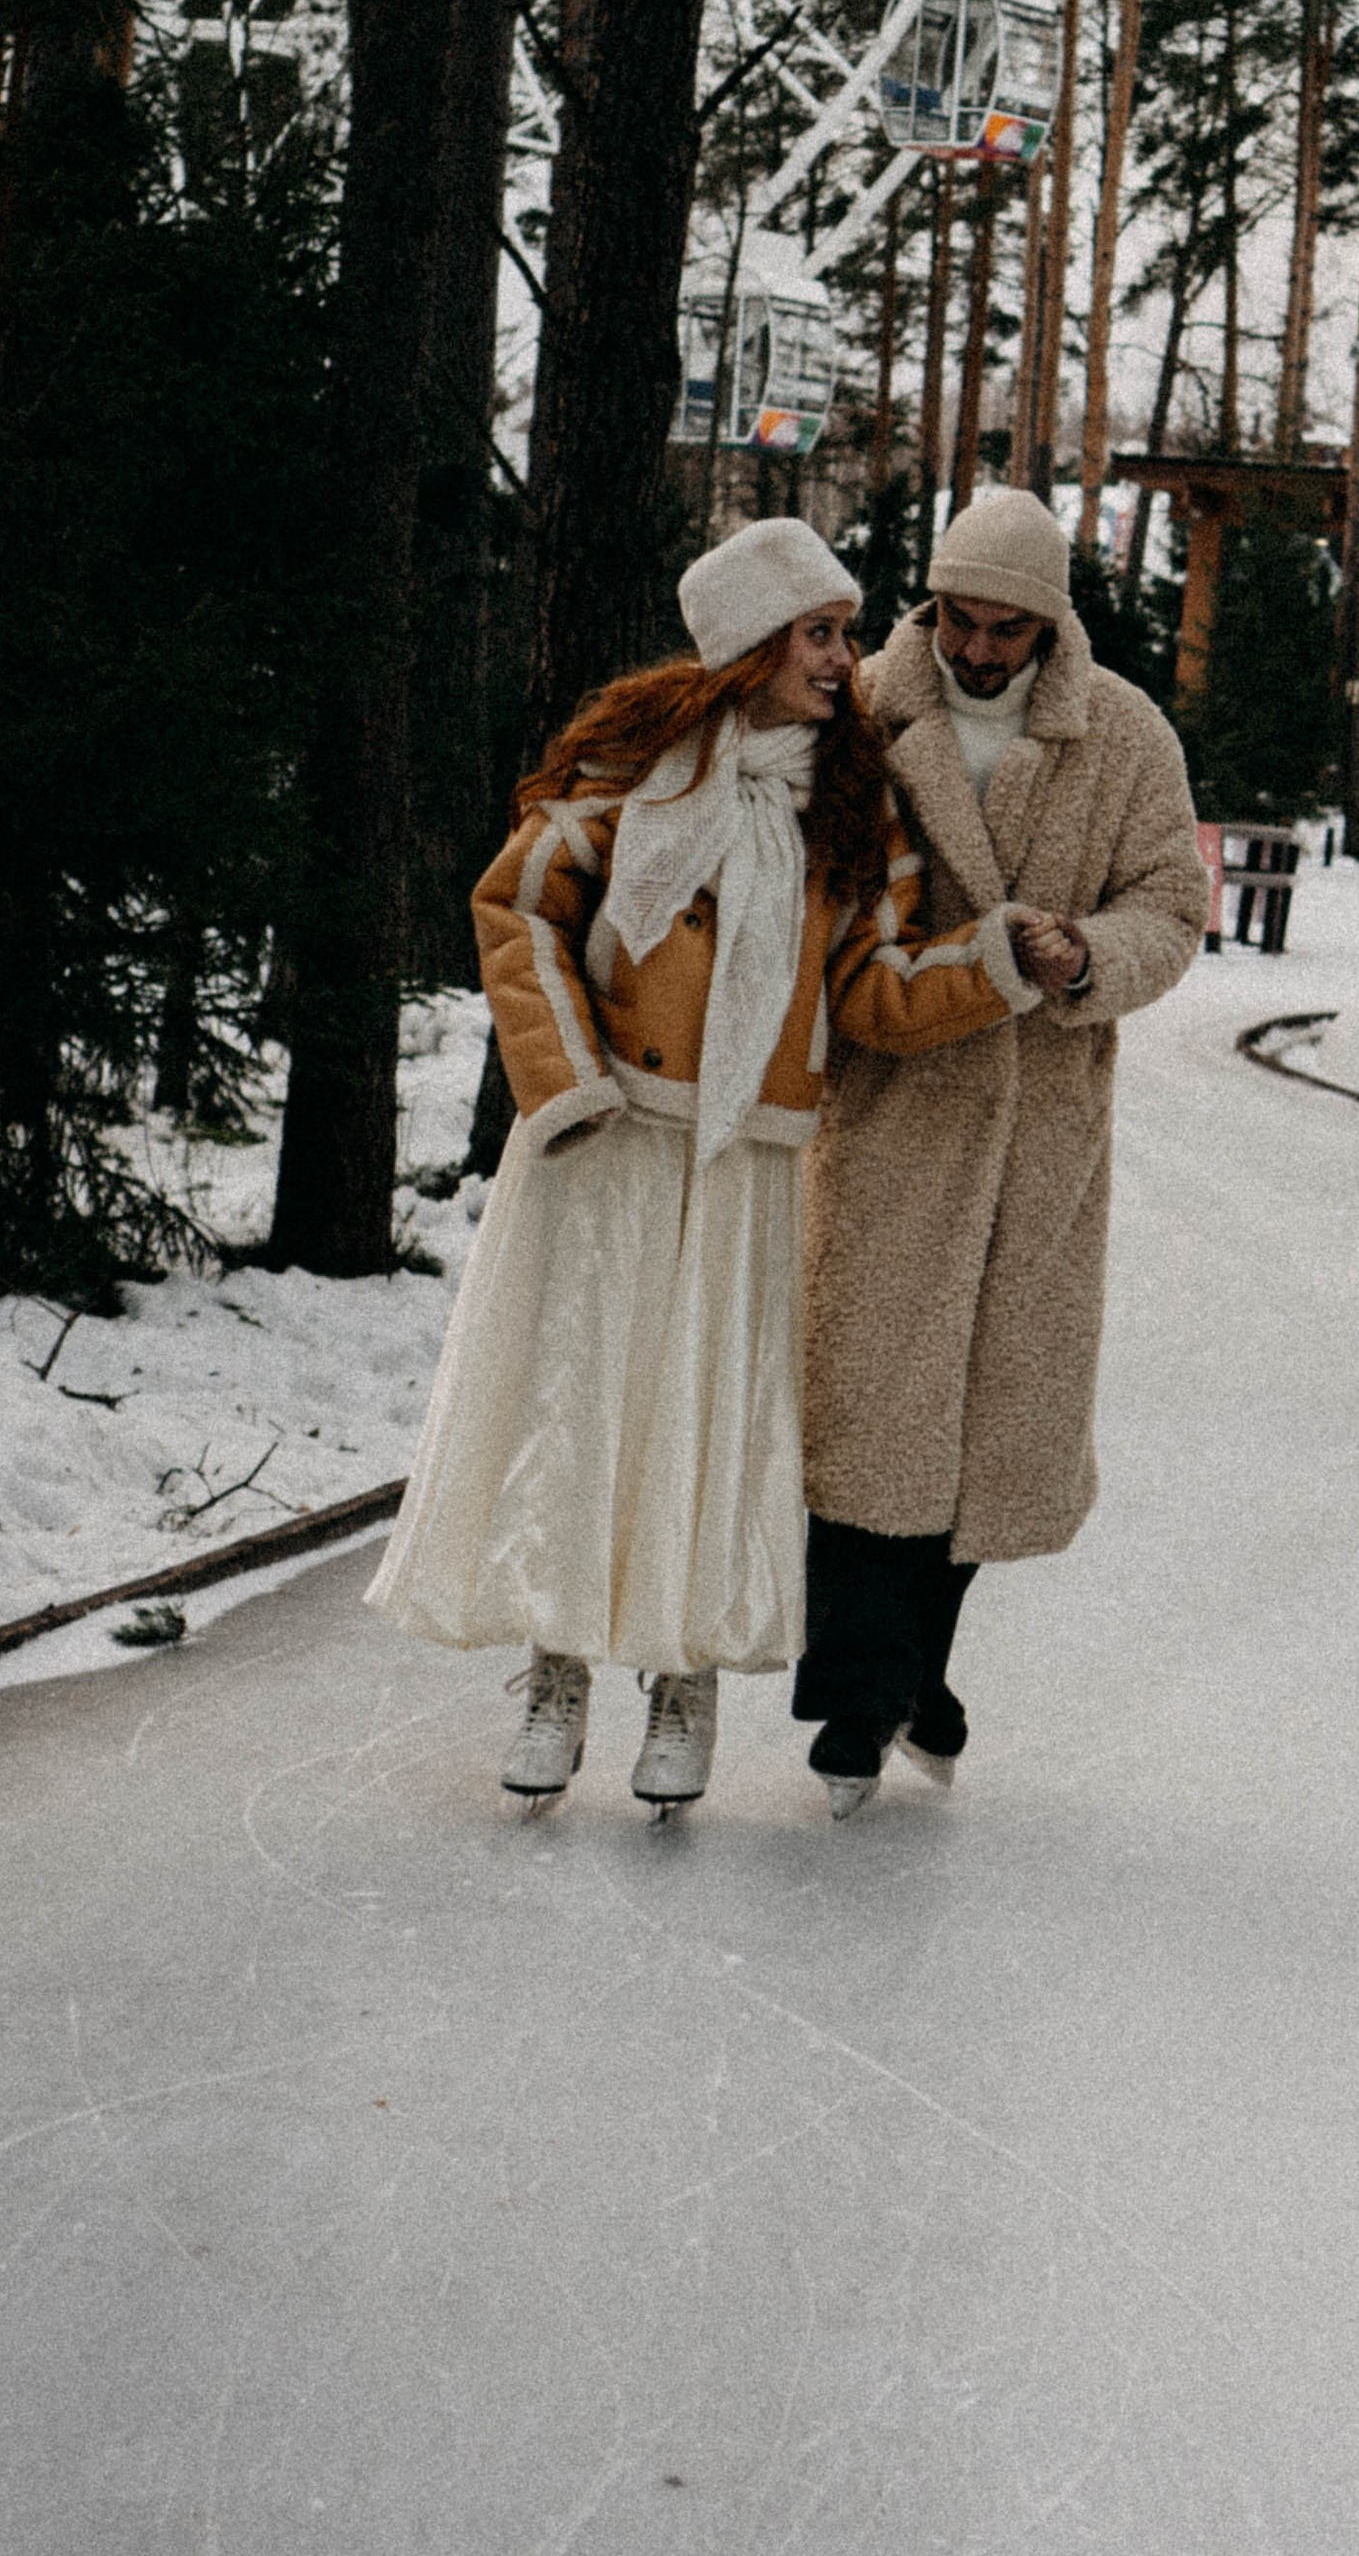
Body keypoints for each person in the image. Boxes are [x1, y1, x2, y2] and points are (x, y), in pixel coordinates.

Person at [365, 518, 1048, 1815]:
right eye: (822, 633)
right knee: (585, 1407)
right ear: (749, 643)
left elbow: (877, 990)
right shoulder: (631, 776)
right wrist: (562, 1082)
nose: (847, 659)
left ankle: (682, 1691)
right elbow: (519, 911)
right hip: (608, 1145)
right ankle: (556, 1672)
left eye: (845, 633)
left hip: (749, 1165)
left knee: (710, 1422)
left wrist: (999, 963)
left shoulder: (853, 806)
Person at [798, 488, 1208, 1812]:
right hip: (892, 1106)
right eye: (960, 623)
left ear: (1051, 620)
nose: (978, 652)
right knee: (871, 1412)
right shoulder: (863, 708)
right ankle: (858, 1702)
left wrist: (1089, 955)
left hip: (1038, 1125)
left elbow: (1173, 905)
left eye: (1007, 630)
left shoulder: (1124, 734)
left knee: (985, 1422)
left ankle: (919, 1669)